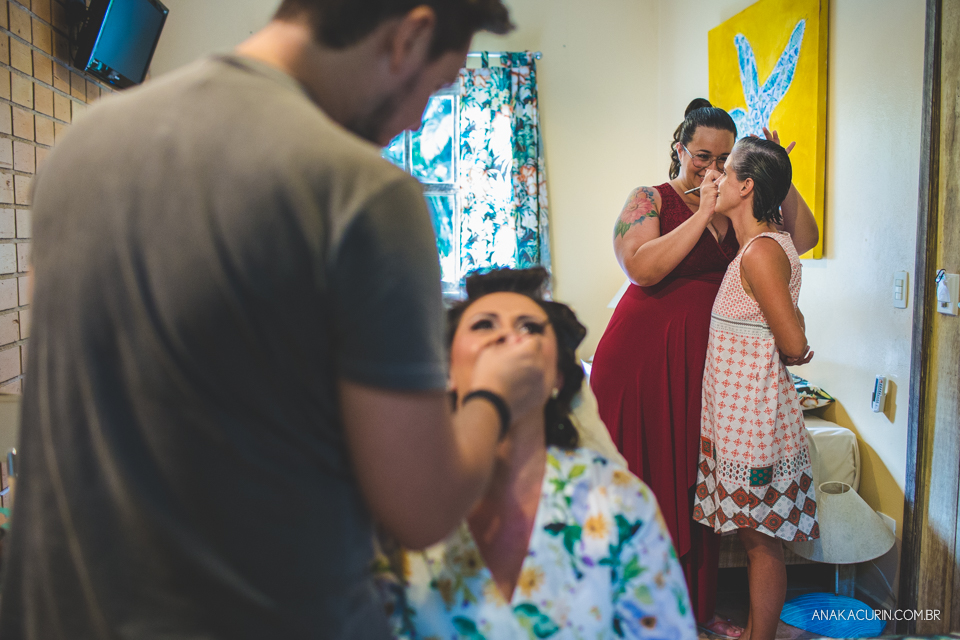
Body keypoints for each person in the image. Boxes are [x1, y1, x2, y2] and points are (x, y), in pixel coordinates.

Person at [0, 2, 556, 639]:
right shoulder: (363, 193)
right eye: (436, 87)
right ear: (411, 34)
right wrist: (494, 392)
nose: (421, 117)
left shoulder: (81, 147)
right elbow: (421, 508)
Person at [589, 98, 819, 636]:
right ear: (680, 150)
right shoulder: (649, 199)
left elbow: (802, 238)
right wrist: (700, 212)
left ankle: (692, 607)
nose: (712, 169)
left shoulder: (743, 213)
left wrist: (772, 170)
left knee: (696, 488)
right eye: (701, 156)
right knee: (645, 482)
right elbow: (642, 269)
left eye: (725, 158)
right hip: (642, 362)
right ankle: (626, 610)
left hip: (711, 371)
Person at [376, 267, 697, 640]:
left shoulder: (619, 502)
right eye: (483, 325)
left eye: (530, 328)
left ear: (558, 376)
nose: (509, 337)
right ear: (447, 368)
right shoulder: (402, 500)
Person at [692, 136, 819, 640]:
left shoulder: (762, 251)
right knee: (756, 541)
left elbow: (791, 341)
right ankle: (755, 632)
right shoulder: (763, 242)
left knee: (761, 544)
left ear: (746, 187)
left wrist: (797, 338)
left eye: (726, 172)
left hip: (755, 420)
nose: (715, 178)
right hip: (743, 415)